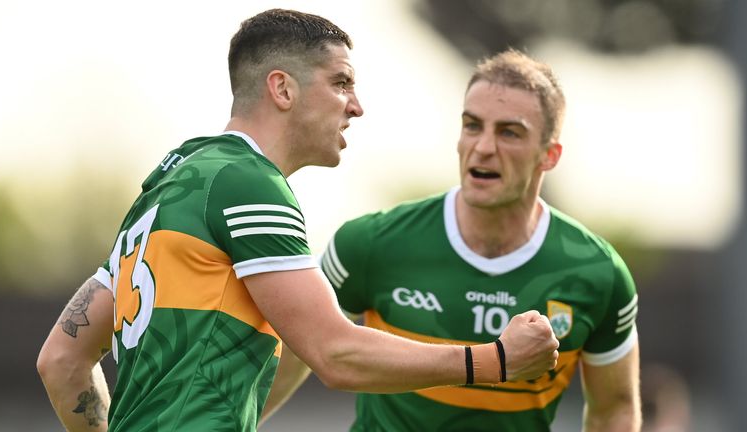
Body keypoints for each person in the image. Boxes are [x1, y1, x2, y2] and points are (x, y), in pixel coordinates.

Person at [35, 10, 560, 432]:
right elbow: (335, 352)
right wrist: (493, 361)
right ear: (282, 89)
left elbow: (61, 360)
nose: (356, 106)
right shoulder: (248, 182)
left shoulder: (170, 185)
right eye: (341, 83)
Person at [264, 49, 642, 431]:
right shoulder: (370, 243)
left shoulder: (599, 273)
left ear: (549, 155)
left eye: (509, 132)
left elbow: (615, 411)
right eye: (472, 125)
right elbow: (287, 362)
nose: (483, 147)